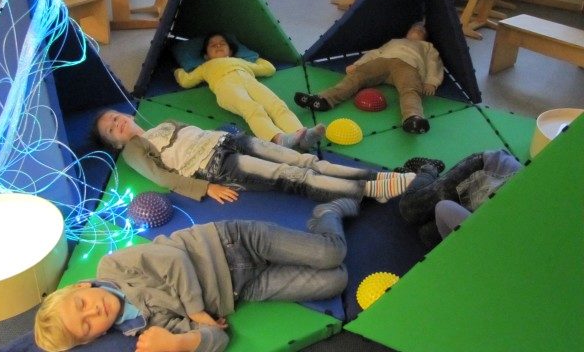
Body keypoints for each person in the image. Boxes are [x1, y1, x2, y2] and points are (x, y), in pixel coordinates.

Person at [34, 198, 358, 352]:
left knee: (331, 254)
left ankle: (326, 213)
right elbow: (218, 338)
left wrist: (196, 311)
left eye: (81, 304)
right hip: (245, 287)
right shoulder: (144, 328)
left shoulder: (113, 267)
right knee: (335, 280)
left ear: (81, 286)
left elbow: (173, 260)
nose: (94, 311)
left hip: (233, 241)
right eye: (87, 325)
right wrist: (179, 343)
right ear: (94, 338)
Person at [93, 109, 417, 204]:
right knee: (294, 176)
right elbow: (161, 176)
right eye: (111, 128)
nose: (116, 122)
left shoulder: (163, 123)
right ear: (116, 143)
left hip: (229, 140)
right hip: (218, 164)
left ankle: (373, 176)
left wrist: (225, 137)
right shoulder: (133, 149)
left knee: (305, 161)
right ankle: (368, 190)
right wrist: (204, 188)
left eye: (115, 117)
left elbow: (196, 132)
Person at [174, 32, 325, 151]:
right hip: (226, 86)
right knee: (253, 109)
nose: (218, 45)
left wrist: (255, 58)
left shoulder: (241, 61)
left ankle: (301, 135)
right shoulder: (205, 67)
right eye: (213, 45)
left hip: (250, 82)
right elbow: (187, 80)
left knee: (277, 105)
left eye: (222, 43)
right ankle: (278, 138)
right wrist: (177, 71)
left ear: (230, 50)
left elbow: (268, 69)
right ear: (206, 55)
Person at [294, 21, 444, 134]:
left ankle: (413, 117)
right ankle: (324, 99)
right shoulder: (395, 42)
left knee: (410, 90)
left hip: (408, 65)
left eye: (421, 30)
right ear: (408, 32)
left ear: (425, 36)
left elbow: (434, 63)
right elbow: (375, 53)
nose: (418, 30)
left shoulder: (427, 47)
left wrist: (431, 81)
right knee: (357, 77)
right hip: (383, 61)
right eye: (415, 28)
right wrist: (358, 64)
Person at [399, 149, 522, 247]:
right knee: (410, 209)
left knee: (427, 236)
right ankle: (429, 170)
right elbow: (443, 208)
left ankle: (428, 187)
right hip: (488, 172)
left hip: (483, 210)